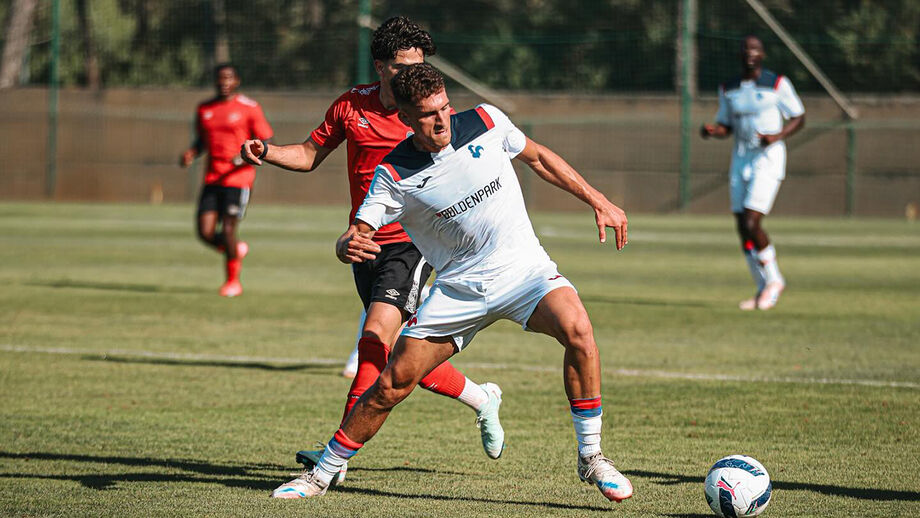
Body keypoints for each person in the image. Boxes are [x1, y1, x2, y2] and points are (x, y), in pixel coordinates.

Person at [270, 63, 633, 503]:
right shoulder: (395, 173)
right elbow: (360, 229)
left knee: (579, 329)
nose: (440, 119)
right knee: (391, 384)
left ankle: (592, 457)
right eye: (426, 114)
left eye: (443, 107)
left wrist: (600, 201)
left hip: (525, 273)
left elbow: (538, 158)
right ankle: (320, 475)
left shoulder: (486, 121)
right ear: (405, 118)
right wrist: (346, 245)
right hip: (460, 289)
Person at [241, 17, 505, 476]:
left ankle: (334, 458)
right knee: (392, 355)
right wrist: (267, 151)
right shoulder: (350, 106)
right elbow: (307, 154)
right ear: (380, 65)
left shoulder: (427, 113)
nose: (415, 76)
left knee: (374, 338)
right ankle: (482, 397)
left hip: (413, 244)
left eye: (421, 65)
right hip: (364, 245)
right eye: (404, 66)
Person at [701, 35, 805, 310]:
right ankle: (761, 287)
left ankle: (774, 281)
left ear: (763, 54)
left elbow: (799, 116)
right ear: (740, 54)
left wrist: (777, 135)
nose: (750, 53)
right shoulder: (729, 88)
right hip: (741, 160)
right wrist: (713, 131)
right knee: (741, 227)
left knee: (751, 222)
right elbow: (726, 125)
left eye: (756, 49)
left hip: (768, 160)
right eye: (746, 48)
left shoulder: (777, 84)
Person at [180, 64, 273, 297]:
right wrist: (192, 152)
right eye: (220, 78)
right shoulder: (205, 109)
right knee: (205, 231)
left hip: (238, 179)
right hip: (213, 178)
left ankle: (233, 282)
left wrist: (244, 158)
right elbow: (203, 140)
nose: (224, 82)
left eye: (228, 78)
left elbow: (265, 139)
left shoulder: (249, 108)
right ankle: (234, 250)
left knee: (229, 228)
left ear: (237, 81)